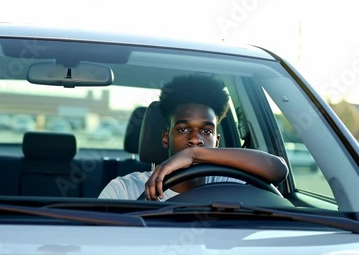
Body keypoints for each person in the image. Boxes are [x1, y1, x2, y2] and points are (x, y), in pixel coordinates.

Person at [98, 74, 288, 201]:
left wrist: (194, 155)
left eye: (206, 131)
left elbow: (278, 170)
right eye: (183, 129)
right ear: (166, 138)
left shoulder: (231, 184)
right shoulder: (124, 190)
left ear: (217, 142)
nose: (195, 139)